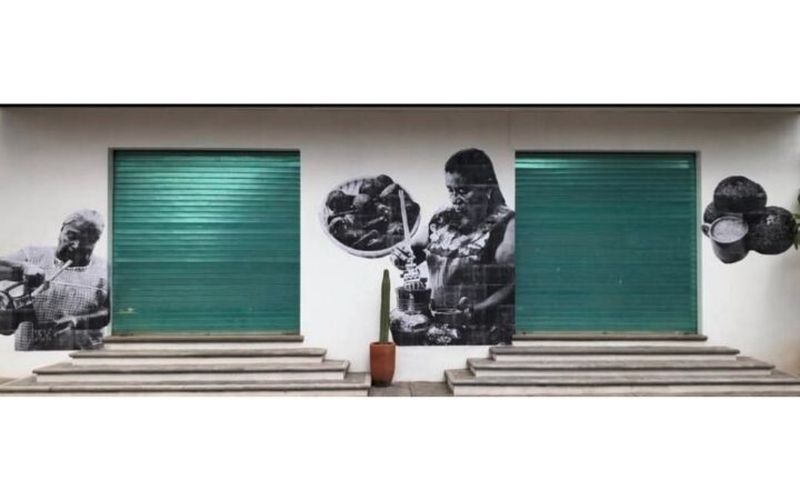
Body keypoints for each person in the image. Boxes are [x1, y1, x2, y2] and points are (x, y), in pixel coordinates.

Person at [391, 148, 515, 345]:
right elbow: (412, 253)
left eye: (463, 191)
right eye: (451, 190)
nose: (455, 199)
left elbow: (515, 285)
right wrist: (400, 256)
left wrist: (477, 309)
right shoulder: (442, 217)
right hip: (437, 330)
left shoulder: (507, 224)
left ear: (487, 187)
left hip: (481, 333)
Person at [0, 209, 109, 350]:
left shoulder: (105, 271)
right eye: (71, 235)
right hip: (30, 355)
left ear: (96, 241)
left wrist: (77, 321)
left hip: (82, 356)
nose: (76, 245)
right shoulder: (32, 255)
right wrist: (22, 268)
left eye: (86, 241)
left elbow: (112, 312)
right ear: (62, 229)